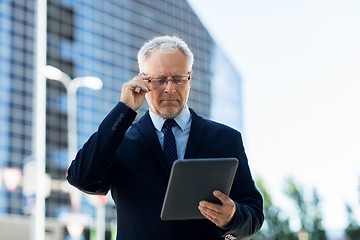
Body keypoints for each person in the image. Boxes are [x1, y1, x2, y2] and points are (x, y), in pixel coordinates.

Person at [67, 35, 264, 240]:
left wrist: (232, 217)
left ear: (189, 79)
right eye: (160, 80)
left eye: (178, 79)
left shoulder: (226, 139)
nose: (170, 89)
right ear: (142, 80)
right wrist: (124, 110)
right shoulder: (120, 141)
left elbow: (254, 215)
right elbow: (81, 178)